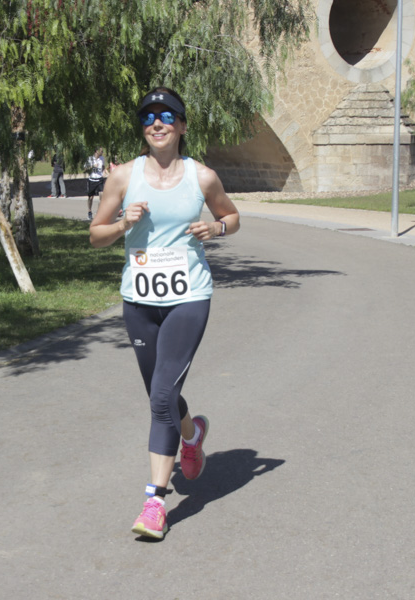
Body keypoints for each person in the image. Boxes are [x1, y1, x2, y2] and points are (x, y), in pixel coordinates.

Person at [89, 87, 240, 540]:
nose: (157, 122)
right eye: (148, 116)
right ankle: (191, 434)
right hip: (138, 300)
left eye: (167, 115)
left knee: (159, 397)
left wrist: (215, 227)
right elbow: (96, 235)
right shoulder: (122, 177)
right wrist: (123, 224)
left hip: (189, 296)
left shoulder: (203, 176)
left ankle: (154, 502)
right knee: (164, 394)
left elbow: (232, 217)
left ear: (182, 125)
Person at [85, 147, 107, 220]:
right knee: (90, 197)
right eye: (101, 151)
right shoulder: (90, 159)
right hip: (92, 180)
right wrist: (92, 166)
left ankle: (98, 213)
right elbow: (85, 168)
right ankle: (89, 211)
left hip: (100, 180)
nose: (102, 152)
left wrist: (105, 172)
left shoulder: (102, 158)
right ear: (96, 151)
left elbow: (103, 167)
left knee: (102, 196)